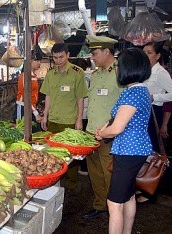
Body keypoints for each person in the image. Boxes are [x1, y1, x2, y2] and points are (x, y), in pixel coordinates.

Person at [96, 48, 152, 234]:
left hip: (128, 151)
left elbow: (118, 128)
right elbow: (117, 121)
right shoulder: (141, 90)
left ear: (127, 68)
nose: (118, 70)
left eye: (119, 66)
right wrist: (105, 128)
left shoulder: (132, 93)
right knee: (128, 197)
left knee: (114, 203)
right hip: (137, 150)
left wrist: (103, 134)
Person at [83, 35, 123, 218]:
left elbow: (124, 106)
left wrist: (111, 130)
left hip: (109, 134)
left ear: (107, 51)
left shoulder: (120, 74)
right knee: (95, 172)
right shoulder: (96, 74)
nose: (92, 56)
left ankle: (114, 207)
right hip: (91, 132)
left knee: (109, 172)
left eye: (95, 52)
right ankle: (100, 206)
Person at [40, 43, 88, 189]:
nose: (58, 60)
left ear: (67, 55)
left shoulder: (77, 72)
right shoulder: (50, 73)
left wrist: (79, 120)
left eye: (61, 57)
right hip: (54, 119)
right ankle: (55, 181)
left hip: (69, 120)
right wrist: (45, 115)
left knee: (70, 155)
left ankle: (72, 185)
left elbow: (81, 98)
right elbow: (48, 96)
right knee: (53, 153)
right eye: (55, 57)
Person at [137, 42, 172, 204]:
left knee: (153, 154)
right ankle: (143, 182)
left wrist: (155, 97)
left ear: (158, 56)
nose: (146, 55)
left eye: (149, 52)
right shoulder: (144, 70)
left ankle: (151, 191)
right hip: (142, 114)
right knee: (144, 151)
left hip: (154, 114)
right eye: (144, 52)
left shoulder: (160, 72)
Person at [15, 50, 43, 132]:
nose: (39, 63)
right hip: (23, 107)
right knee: (22, 131)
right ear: (30, 61)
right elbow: (26, 97)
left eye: (40, 61)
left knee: (31, 131)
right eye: (37, 60)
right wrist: (36, 113)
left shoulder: (33, 76)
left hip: (31, 107)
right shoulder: (25, 76)